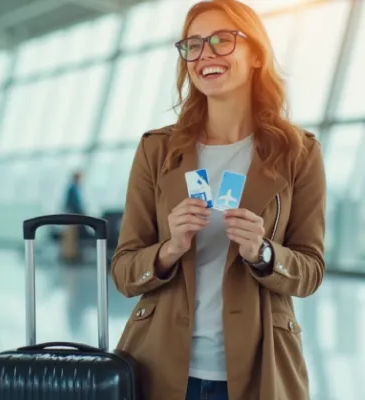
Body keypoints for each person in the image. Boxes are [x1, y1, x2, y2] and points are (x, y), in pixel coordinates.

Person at [111, 1, 326, 400]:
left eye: (221, 40)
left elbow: (310, 271)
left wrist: (263, 252)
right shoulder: (157, 151)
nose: (205, 53)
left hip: (260, 366)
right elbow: (124, 272)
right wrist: (169, 249)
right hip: (159, 365)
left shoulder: (299, 153)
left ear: (257, 54)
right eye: (192, 45)